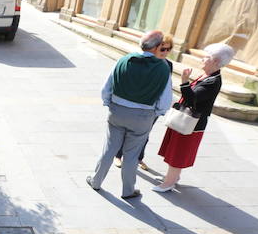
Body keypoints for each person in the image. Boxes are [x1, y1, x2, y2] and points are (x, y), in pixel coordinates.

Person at [87, 30, 173, 199]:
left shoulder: (124, 60)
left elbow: (107, 87)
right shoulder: (163, 68)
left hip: (117, 111)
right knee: (132, 155)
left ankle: (96, 181)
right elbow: (165, 99)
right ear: (156, 47)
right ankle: (128, 190)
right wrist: (156, 113)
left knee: (109, 148)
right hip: (143, 116)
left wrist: (109, 103)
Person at [153, 42, 236, 193]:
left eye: (207, 57)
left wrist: (184, 81)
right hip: (185, 119)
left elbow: (192, 99)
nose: (203, 59)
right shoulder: (208, 75)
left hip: (191, 123)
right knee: (174, 150)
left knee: (178, 153)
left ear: (216, 62)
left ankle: (168, 183)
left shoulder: (213, 81)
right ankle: (172, 178)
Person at [114, 34, 175, 171]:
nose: (165, 52)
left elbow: (166, 87)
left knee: (145, 134)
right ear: (155, 48)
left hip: (154, 108)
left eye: (168, 49)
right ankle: (118, 155)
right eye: (162, 49)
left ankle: (139, 157)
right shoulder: (143, 61)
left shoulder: (168, 65)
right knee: (126, 131)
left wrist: (161, 108)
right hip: (138, 104)